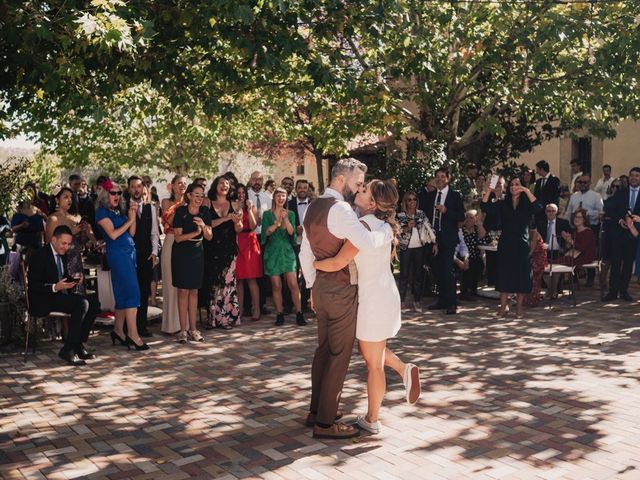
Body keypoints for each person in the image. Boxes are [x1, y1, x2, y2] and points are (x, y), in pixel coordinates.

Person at [313, 179, 421, 435]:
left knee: (373, 363)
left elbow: (338, 261)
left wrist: (312, 265)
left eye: (363, 191)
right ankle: (404, 369)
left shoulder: (361, 228)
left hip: (372, 300)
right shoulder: (383, 226)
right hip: (385, 294)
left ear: (372, 203)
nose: (358, 191)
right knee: (373, 352)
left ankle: (372, 419)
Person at [299, 158, 393, 440]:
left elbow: (305, 253)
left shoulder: (313, 206)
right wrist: (386, 232)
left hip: (322, 289)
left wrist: (312, 287)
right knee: (338, 356)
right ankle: (326, 423)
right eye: (358, 183)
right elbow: (364, 242)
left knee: (323, 351)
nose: (359, 188)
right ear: (342, 179)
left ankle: (316, 411)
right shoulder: (341, 209)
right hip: (340, 289)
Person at [27, 225, 98, 366]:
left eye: (68, 244)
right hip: (42, 299)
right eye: (63, 243)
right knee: (82, 304)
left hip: (57, 296)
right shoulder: (39, 255)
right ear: (53, 239)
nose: (66, 247)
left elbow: (62, 276)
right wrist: (55, 287)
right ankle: (69, 349)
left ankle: (77, 344)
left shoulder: (62, 254)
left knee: (94, 303)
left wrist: (74, 279)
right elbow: (34, 286)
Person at [95, 179, 149, 351]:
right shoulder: (102, 213)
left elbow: (131, 233)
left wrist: (131, 216)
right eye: (113, 193)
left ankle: (118, 330)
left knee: (122, 293)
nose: (117, 195)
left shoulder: (118, 212)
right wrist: (129, 220)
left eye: (119, 193)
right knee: (133, 291)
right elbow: (112, 235)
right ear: (105, 195)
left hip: (129, 253)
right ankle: (133, 334)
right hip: (118, 255)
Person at [482, 177, 541, 318]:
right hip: (506, 243)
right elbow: (485, 207)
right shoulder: (503, 204)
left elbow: (538, 208)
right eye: (512, 185)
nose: (514, 187)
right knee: (504, 275)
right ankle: (503, 307)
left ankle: (519, 308)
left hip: (522, 243)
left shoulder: (527, 204)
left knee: (521, 275)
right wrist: (489, 190)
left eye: (517, 184)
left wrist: (526, 191)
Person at [172, 182, 212, 343]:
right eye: (196, 195)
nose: (199, 199)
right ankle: (182, 330)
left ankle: (193, 329)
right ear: (188, 195)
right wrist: (195, 232)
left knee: (194, 291)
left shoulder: (205, 211)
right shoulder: (180, 212)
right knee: (183, 291)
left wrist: (203, 227)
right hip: (181, 254)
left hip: (197, 253)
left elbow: (209, 236)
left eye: (202, 196)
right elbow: (178, 238)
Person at [423, 167, 466, 315]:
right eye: (437, 177)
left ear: (448, 178)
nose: (440, 179)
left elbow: (461, 216)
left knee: (448, 270)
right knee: (437, 270)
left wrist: (447, 211)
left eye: (443, 176)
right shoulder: (431, 195)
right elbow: (426, 217)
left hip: (448, 238)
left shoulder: (455, 195)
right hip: (433, 239)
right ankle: (442, 300)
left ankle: (452, 303)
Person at [261, 187, 305, 326]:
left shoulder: (290, 213)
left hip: (287, 251)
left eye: (284, 196)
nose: (281, 198)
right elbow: (266, 233)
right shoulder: (267, 214)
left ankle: (299, 313)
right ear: (274, 197)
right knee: (276, 285)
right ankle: (279, 314)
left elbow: (292, 232)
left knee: (293, 283)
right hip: (272, 251)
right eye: (278, 195)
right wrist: (277, 223)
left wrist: (285, 219)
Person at [45, 187, 96, 295]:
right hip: (61, 263)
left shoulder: (77, 217)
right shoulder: (53, 219)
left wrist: (87, 231)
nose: (69, 200)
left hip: (76, 261)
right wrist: (71, 232)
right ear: (57, 200)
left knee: (79, 297)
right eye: (66, 197)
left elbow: (85, 241)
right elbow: (49, 244)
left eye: (71, 197)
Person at [207, 176, 242, 329]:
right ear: (215, 186)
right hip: (212, 249)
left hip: (229, 250)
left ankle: (227, 319)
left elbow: (238, 229)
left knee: (228, 285)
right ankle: (213, 319)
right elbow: (209, 224)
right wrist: (226, 218)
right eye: (221, 183)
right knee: (214, 284)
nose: (224, 186)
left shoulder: (234, 204)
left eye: (227, 184)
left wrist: (237, 222)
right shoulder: (208, 203)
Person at [127, 176, 160, 338]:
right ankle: (128, 327)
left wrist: (154, 252)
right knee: (131, 291)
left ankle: (141, 326)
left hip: (146, 254)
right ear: (129, 189)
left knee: (143, 291)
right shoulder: (123, 207)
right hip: (128, 255)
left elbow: (154, 233)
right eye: (133, 187)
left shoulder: (150, 208)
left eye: (139, 186)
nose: (136, 189)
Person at [602, 167, 640, 302]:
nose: (634, 178)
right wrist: (619, 220)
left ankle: (624, 291)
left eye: (637, 175)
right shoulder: (621, 193)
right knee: (616, 262)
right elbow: (609, 209)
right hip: (618, 233)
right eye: (632, 175)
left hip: (634, 234)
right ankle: (613, 292)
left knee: (628, 263)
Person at [160, 175, 187, 334]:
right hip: (171, 241)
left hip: (186, 243)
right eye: (179, 183)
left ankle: (184, 323)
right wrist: (182, 206)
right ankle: (171, 325)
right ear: (173, 186)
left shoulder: (191, 203)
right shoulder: (166, 202)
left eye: (185, 183)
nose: (182, 186)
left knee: (184, 283)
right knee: (170, 283)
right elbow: (170, 220)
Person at [397, 190, 431, 311]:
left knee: (418, 276)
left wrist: (435, 242)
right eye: (409, 199)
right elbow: (396, 232)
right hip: (406, 248)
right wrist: (407, 227)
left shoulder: (421, 214)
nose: (412, 202)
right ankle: (401, 301)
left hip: (419, 248)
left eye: (414, 199)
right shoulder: (400, 216)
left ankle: (417, 301)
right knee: (404, 276)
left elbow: (429, 228)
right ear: (405, 201)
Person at [235, 184, 263, 321]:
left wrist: (250, 209)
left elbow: (253, 226)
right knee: (239, 279)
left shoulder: (252, 206)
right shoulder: (233, 207)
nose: (241, 195)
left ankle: (256, 308)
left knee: (252, 278)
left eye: (243, 193)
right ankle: (239, 310)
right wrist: (238, 209)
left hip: (250, 241)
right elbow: (236, 229)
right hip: (238, 241)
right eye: (238, 193)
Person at [247, 171, 273, 314]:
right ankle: (247, 304)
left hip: (264, 237)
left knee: (262, 272)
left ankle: (261, 303)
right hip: (250, 237)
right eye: (254, 179)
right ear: (250, 181)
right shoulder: (246, 195)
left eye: (260, 179)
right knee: (250, 273)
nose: (257, 182)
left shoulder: (267, 197)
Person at [287, 179, 312, 313]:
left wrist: (306, 229)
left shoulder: (314, 204)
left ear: (308, 189)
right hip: (294, 243)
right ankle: (290, 303)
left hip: (309, 245)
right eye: (300, 188)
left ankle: (304, 303)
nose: (302, 190)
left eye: (305, 187)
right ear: (296, 190)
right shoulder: (289, 204)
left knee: (307, 274)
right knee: (292, 274)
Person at [459, 209, 489, 301]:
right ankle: (465, 292)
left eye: (471, 218)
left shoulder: (477, 230)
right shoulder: (460, 230)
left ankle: (472, 290)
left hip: (475, 256)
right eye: (466, 217)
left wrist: (480, 225)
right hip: (461, 255)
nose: (468, 220)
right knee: (471, 262)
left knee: (477, 262)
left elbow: (486, 240)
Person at [524, 225, 548, 307]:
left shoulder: (535, 234)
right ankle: (525, 299)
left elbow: (531, 251)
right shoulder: (526, 234)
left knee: (529, 272)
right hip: (532, 258)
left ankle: (533, 300)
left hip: (538, 260)